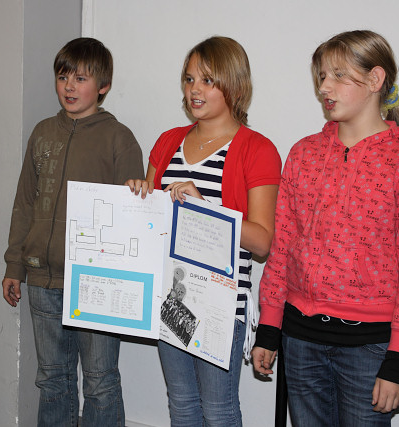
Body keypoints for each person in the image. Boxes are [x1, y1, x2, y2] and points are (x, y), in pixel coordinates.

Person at [252, 30, 399, 426]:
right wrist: (269, 326)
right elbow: (283, 245)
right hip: (300, 338)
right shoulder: (304, 153)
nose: (324, 87)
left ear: (375, 79)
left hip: (368, 347)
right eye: (322, 76)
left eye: (338, 75)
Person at [126, 36, 281, 426]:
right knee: (181, 405)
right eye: (190, 79)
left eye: (208, 81)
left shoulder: (257, 149)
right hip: (171, 296)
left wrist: (206, 207)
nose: (195, 89)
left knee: (218, 410)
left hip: (220, 304)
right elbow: (151, 225)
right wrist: (140, 196)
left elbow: (262, 241)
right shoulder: (168, 141)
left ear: (235, 86)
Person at [2, 37, 143, 427]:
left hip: (96, 282)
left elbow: (131, 218)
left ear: (103, 86)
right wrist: (15, 265)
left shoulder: (119, 138)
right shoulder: (42, 133)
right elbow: (24, 203)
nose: (69, 86)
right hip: (43, 280)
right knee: (52, 379)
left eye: (81, 79)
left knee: (100, 382)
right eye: (63, 77)